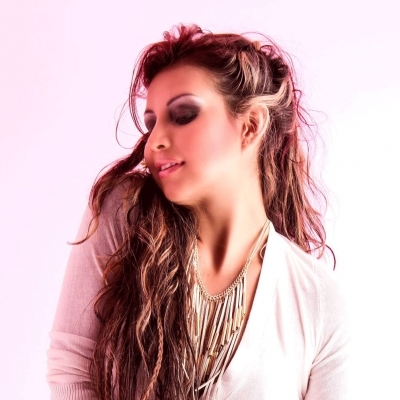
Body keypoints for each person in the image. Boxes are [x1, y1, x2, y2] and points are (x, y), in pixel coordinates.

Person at [46, 24, 350, 400]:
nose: (154, 142)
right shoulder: (127, 214)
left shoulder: (318, 300)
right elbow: (71, 368)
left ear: (250, 125)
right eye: (152, 122)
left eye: (184, 114)